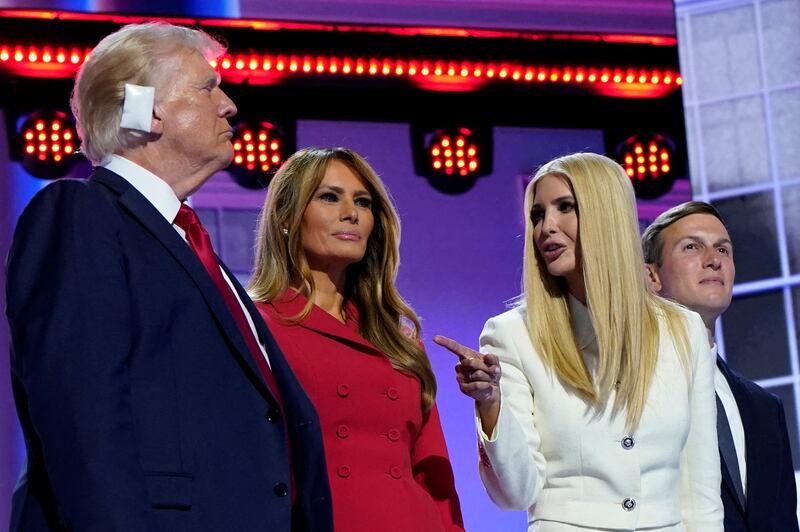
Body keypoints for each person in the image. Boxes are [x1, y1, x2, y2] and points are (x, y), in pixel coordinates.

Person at [5, 23, 332, 532]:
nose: (229, 105)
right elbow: (83, 419)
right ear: (147, 109)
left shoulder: (192, 247)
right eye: (207, 87)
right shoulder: (81, 213)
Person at [435, 152, 723, 531]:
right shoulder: (512, 335)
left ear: (607, 215)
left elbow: (700, 491)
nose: (545, 228)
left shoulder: (683, 330)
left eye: (565, 208)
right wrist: (491, 405)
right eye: (538, 215)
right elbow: (515, 494)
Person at [248, 147, 464, 532]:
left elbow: (433, 471)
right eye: (329, 197)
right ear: (286, 217)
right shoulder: (257, 327)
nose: (352, 212)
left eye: (362, 202)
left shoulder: (397, 340)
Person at [642, 201, 798, 532]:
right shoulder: (631, 389)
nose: (713, 260)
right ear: (652, 275)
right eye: (691, 247)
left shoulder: (765, 409)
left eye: (723, 250)